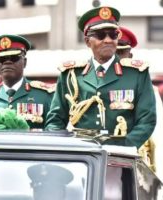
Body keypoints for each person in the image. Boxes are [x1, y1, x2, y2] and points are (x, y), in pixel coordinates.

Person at [45, 6, 156, 148]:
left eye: (113, 34)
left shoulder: (136, 74)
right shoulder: (71, 75)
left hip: (121, 156)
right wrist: (65, 149)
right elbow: (55, 120)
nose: (108, 40)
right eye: (101, 35)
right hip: (82, 155)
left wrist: (124, 148)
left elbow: (147, 120)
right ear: (87, 41)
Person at [117, 26, 163, 186]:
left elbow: (159, 144)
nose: (116, 59)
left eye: (121, 53)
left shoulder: (148, 90)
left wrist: (161, 186)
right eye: (112, 54)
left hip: (137, 170)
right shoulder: (89, 87)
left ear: (130, 56)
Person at [0, 34, 55, 129]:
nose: (7, 62)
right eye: (1, 58)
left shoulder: (45, 95)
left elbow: (54, 131)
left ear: (24, 62)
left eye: (14, 57)